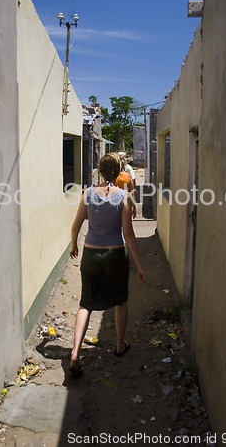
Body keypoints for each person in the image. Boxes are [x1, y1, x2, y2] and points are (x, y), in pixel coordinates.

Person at [69, 152, 147, 376]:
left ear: (100, 170)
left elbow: (75, 227)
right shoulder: (123, 196)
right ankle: (120, 346)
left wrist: (74, 245)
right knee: (120, 301)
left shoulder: (87, 194)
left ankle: (75, 353)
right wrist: (140, 267)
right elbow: (128, 234)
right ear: (120, 169)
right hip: (115, 255)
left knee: (86, 304)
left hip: (91, 254)